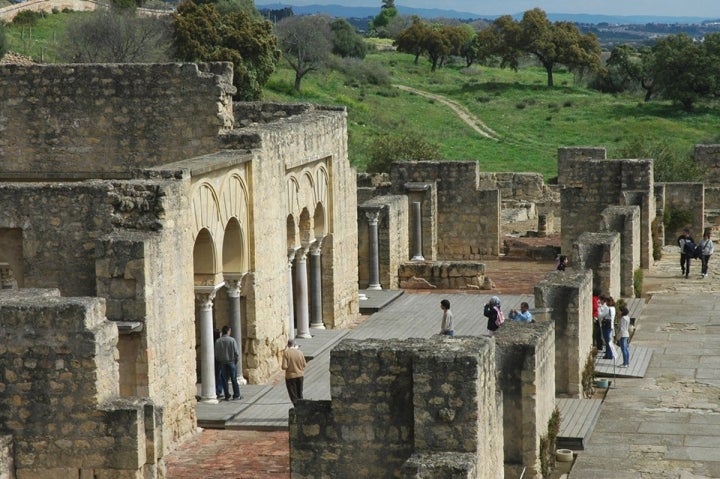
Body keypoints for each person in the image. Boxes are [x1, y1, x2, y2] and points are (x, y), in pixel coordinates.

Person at [214, 325, 241, 400]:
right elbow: (236, 352)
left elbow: (216, 353)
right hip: (231, 362)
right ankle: (236, 395)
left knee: (224, 380)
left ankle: (227, 395)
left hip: (222, 362)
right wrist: (236, 361)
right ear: (228, 331)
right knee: (234, 379)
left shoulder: (218, 341)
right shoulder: (232, 340)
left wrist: (219, 360)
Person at [282, 339, 307, 406]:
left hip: (290, 377)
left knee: (293, 395)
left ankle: (296, 408)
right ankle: (302, 408)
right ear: (294, 344)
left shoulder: (286, 353)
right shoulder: (300, 353)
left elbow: (284, 366)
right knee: (300, 393)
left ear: (288, 345)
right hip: (300, 375)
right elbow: (304, 364)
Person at [600, 296, 616, 360]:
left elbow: (601, 315)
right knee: (609, 340)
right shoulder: (613, 308)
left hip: (606, 326)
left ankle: (608, 355)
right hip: (611, 325)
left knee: (607, 341)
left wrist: (601, 308)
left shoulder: (607, 308)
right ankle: (609, 354)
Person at [213, 328, 225, 399]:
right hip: (219, 361)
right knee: (219, 376)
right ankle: (218, 391)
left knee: (217, 376)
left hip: (215, 361)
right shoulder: (218, 342)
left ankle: (217, 390)